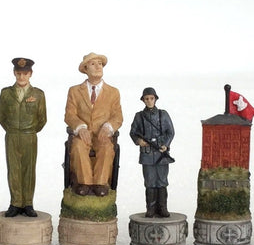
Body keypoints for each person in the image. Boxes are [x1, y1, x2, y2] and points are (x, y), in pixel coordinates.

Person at [64, 52, 123, 197]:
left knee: (107, 148)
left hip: (102, 135)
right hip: (83, 135)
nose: (98, 67)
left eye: (100, 64)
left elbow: (118, 116)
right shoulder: (74, 91)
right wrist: (80, 127)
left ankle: (100, 183)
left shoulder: (113, 92)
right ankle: (84, 183)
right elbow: (70, 115)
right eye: (93, 64)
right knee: (78, 146)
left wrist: (108, 127)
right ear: (85, 69)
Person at [0, 58, 47, 217]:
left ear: (30, 74)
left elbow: (42, 119)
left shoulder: (38, 94)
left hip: (29, 136)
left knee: (29, 169)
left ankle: (28, 203)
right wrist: (12, 129)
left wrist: (30, 130)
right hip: (12, 135)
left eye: (25, 74)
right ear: (14, 73)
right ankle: (15, 203)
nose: (21, 77)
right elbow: (1, 117)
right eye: (18, 73)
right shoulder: (6, 93)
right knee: (13, 169)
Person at [129, 87, 175, 217]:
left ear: (155, 99)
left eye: (151, 98)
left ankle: (162, 208)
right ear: (143, 100)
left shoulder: (163, 114)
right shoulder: (139, 116)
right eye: (146, 99)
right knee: (150, 182)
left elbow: (170, 132)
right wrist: (139, 141)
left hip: (161, 154)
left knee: (162, 181)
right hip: (147, 154)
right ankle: (151, 208)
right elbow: (133, 132)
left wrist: (165, 145)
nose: (149, 101)